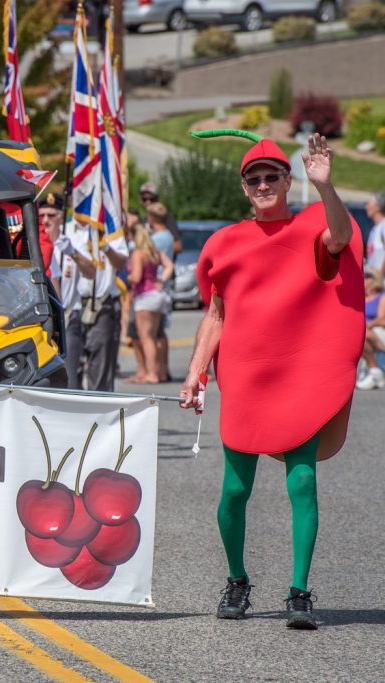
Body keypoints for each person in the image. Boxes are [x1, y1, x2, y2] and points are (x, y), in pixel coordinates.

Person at [180, 132, 362, 630]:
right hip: (245, 379)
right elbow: (216, 315)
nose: (262, 184)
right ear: (244, 187)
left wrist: (324, 185)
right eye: (254, 178)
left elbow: (340, 237)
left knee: (302, 482)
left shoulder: (311, 227)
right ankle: (237, 580)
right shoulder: (224, 243)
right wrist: (196, 371)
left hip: (299, 378)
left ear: (286, 180)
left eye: (271, 176)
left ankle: (299, 592)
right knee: (234, 491)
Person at [41, 194, 95, 389]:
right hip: (43, 320)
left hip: (68, 315)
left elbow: (91, 272)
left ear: (61, 216)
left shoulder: (73, 239)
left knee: (69, 375)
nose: (46, 220)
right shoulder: (35, 241)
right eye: (42, 215)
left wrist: (71, 251)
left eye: (51, 215)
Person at [76, 216, 129, 392]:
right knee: (71, 370)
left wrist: (104, 246)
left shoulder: (112, 232)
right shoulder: (69, 230)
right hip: (73, 305)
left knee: (100, 370)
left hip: (101, 303)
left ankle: (99, 407)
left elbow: (121, 263)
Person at [125, 223, 173, 384]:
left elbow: (136, 277)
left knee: (146, 338)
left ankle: (152, 374)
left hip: (144, 296)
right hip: (157, 294)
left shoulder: (138, 253)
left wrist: (125, 277)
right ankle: (159, 372)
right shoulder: (154, 251)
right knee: (155, 335)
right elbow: (169, 266)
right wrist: (161, 280)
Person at [356, 268, 385, 390]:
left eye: (368, 276)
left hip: (377, 330)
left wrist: (370, 324)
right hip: (365, 330)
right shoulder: (359, 296)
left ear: (375, 279)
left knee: (362, 332)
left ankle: (375, 369)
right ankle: (375, 370)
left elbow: (382, 318)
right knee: (357, 334)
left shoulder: (381, 296)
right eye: (364, 275)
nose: (365, 279)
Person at [139, 182, 182, 252]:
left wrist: (154, 251)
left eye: (152, 199)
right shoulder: (142, 221)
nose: (148, 202)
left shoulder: (166, 218)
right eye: (144, 199)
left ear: (158, 199)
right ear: (140, 200)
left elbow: (178, 246)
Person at [364, 191, 385, 273]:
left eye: (368, 204)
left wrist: (380, 275)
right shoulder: (375, 229)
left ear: (377, 207)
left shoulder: (383, 227)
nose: (366, 207)